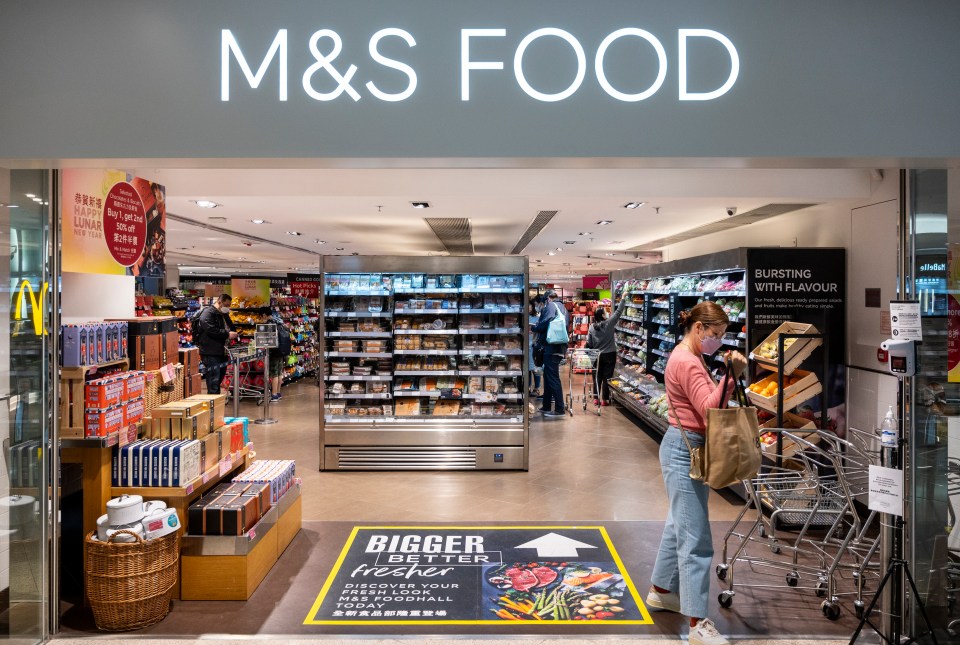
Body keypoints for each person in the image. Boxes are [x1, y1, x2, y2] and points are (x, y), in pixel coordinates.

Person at [647, 301, 747, 645]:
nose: (718, 341)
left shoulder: (686, 354)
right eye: (715, 334)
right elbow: (709, 413)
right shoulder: (688, 362)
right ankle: (697, 624)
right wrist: (731, 378)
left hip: (684, 446)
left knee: (680, 524)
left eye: (722, 335)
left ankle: (662, 591)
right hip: (685, 448)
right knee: (697, 541)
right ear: (699, 329)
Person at [586, 293, 630, 406]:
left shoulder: (591, 327)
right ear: (603, 315)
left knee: (597, 376)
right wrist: (623, 298)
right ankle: (605, 399)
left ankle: (596, 398)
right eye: (605, 312)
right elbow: (618, 312)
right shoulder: (609, 323)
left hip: (596, 355)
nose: (606, 313)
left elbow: (589, 343)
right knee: (607, 377)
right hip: (610, 354)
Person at [533, 289, 568, 417]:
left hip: (552, 347)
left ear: (548, 299)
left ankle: (560, 409)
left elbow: (545, 324)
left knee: (552, 378)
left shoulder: (552, 306)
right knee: (548, 377)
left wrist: (534, 327)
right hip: (559, 347)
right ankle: (547, 406)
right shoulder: (563, 308)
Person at [196, 294, 238, 395]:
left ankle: (215, 403)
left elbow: (230, 326)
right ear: (220, 302)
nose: (228, 307)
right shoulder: (208, 313)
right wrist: (227, 334)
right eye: (226, 305)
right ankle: (213, 406)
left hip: (221, 351)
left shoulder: (223, 314)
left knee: (219, 378)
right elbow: (211, 330)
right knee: (213, 380)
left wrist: (235, 332)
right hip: (211, 352)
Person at [268, 312, 292, 402]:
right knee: (279, 373)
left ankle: (274, 394)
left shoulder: (271, 324)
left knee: (274, 373)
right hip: (282, 352)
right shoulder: (281, 323)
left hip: (274, 352)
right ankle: (278, 393)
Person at [528, 298, 542, 397]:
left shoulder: (537, 318)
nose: (528, 307)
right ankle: (527, 387)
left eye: (530, 305)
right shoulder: (522, 317)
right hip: (525, 346)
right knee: (527, 368)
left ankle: (537, 388)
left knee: (535, 368)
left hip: (534, 346)